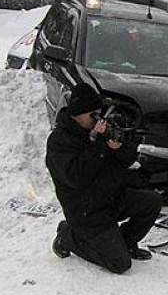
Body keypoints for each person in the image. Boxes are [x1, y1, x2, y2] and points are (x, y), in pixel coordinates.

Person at [47, 83, 162, 274]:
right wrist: (100, 146)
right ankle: (67, 236)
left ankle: (126, 243)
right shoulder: (60, 141)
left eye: (99, 113)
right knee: (120, 264)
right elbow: (76, 177)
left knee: (152, 201)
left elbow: (129, 160)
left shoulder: (99, 131)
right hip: (87, 213)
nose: (97, 119)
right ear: (77, 114)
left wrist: (118, 147)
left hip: (111, 198)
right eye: (92, 114)